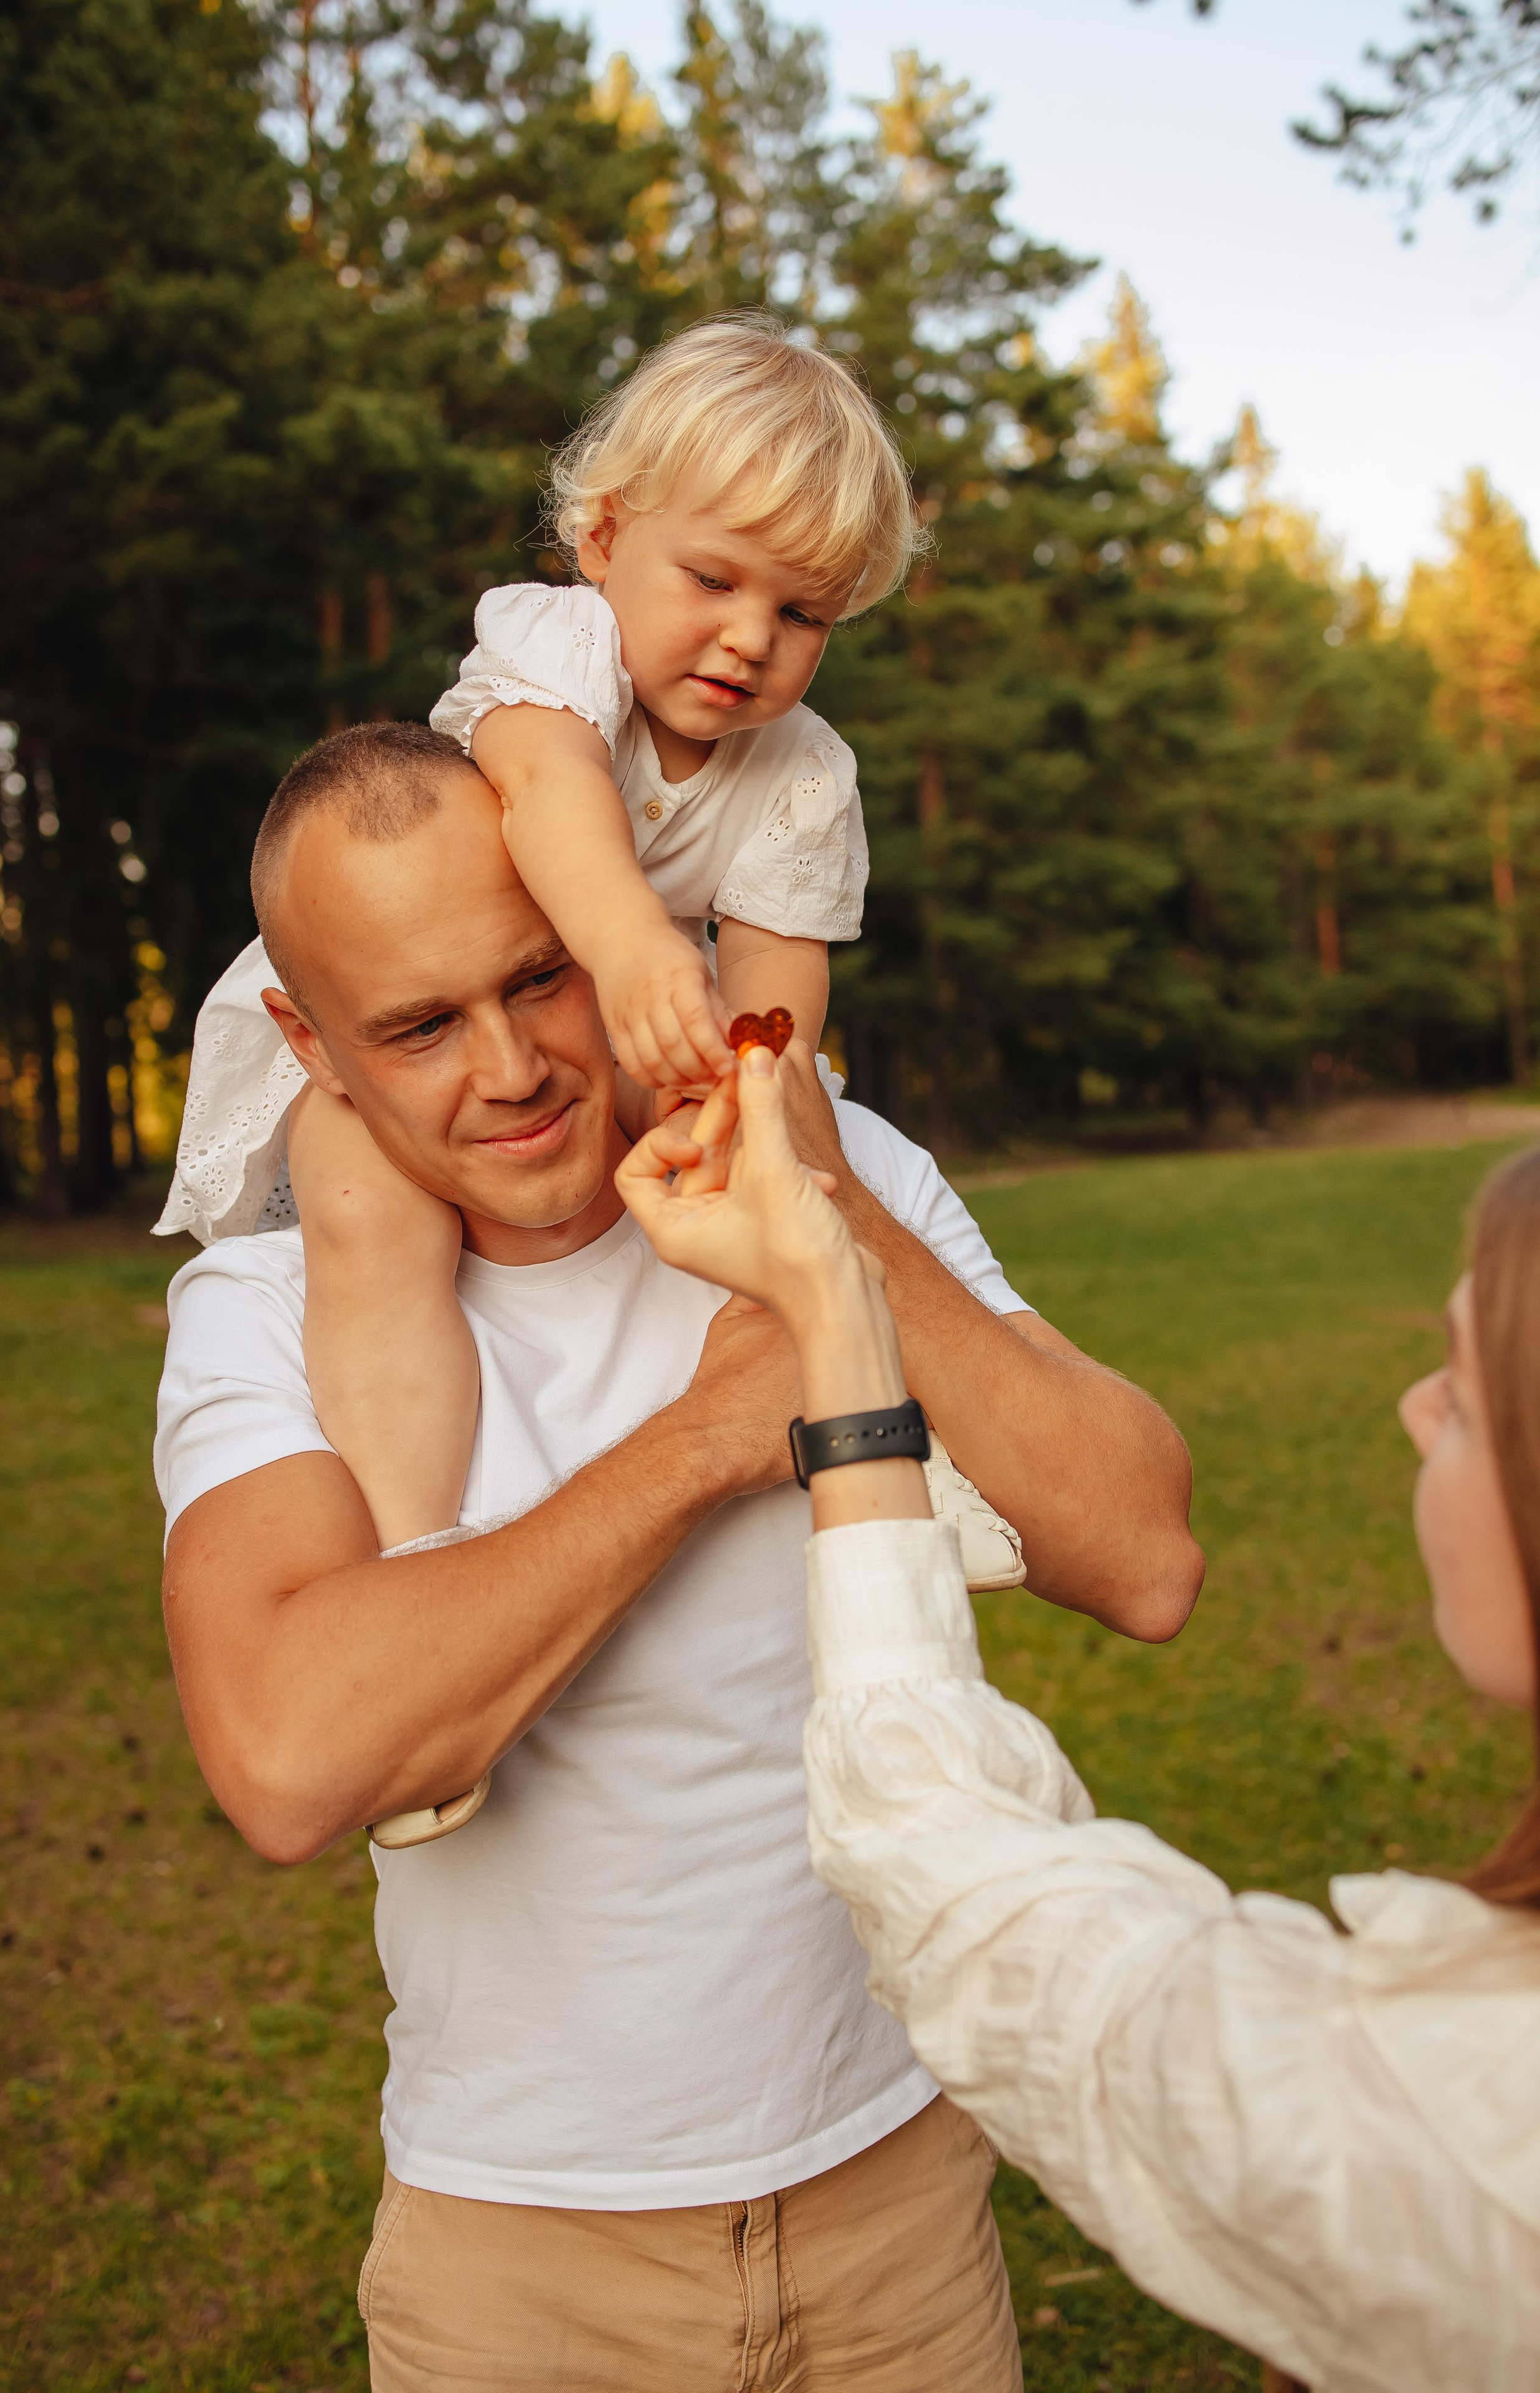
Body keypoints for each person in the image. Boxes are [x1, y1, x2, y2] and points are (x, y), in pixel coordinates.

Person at [154, 722, 1202, 2392]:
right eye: (421, 1026)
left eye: (544, 977)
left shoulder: (840, 1174)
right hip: (521, 2259)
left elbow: (1143, 1555)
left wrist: (825, 1215)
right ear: (310, 1046)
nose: (512, 1068)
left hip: (899, 2202)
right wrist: (714, 1435)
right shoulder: (261, 1314)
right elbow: (289, 1762)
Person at [617, 1044, 1540, 2393]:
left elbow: (945, 1861)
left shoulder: (1450, 2117)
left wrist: (837, 1314)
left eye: (1466, 1395)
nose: (1412, 1408)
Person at [153, 313, 1023, 1598]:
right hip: (432, 1005)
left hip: (616, 1018)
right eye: (713, 581)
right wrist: (628, 952)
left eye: (800, 613)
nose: (749, 637)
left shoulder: (804, 771)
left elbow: (777, 976)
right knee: (368, 1221)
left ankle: (896, 1444)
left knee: (777, 1183)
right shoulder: (558, 649)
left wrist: (746, 1087)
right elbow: (550, 795)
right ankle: (416, 1551)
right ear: (605, 539)